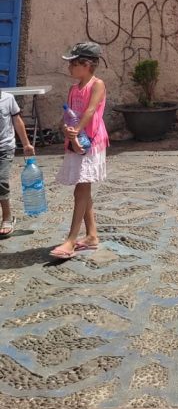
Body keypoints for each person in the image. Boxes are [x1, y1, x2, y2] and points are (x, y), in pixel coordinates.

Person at [50, 42, 109, 259]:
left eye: (73, 64)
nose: (69, 68)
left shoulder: (97, 84)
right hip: (76, 140)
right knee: (83, 188)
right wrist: (66, 128)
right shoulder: (73, 89)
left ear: (86, 64)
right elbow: (69, 112)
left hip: (90, 142)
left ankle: (71, 240)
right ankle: (91, 235)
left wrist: (76, 132)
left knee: (81, 190)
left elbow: (91, 110)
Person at [0, 90, 35, 238]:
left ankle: (7, 217)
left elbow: (17, 120)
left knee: (1, 181)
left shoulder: (8, 98)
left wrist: (26, 144)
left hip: (4, 147)